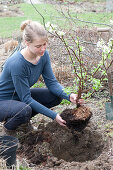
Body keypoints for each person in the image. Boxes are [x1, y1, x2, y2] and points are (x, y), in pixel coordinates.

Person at [0, 20, 83, 136]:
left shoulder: (43, 55)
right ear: (26, 43)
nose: (43, 49)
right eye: (38, 46)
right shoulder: (17, 63)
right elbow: (26, 99)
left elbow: (52, 83)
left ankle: (21, 122)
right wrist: (53, 115)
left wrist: (68, 95)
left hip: (19, 97)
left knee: (55, 96)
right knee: (24, 110)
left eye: (45, 44)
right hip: (3, 102)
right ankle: (8, 130)